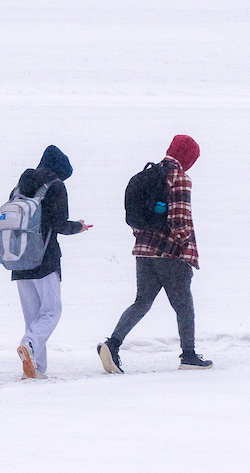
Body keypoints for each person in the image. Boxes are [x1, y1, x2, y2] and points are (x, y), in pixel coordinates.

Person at [99, 134, 212, 372]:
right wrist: (182, 246)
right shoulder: (179, 177)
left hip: (144, 252)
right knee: (184, 306)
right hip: (170, 255)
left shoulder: (148, 175)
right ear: (188, 157)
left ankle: (113, 344)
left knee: (142, 302)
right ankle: (189, 356)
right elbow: (179, 220)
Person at [9, 144, 89, 379]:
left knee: (33, 317)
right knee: (52, 311)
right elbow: (60, 224)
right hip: (44, 259)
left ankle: (36, 368)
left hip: (18, 259)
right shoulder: (55, 186)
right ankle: (30, 346)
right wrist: (79, 227)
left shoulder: (19, 187)